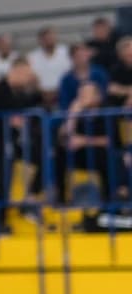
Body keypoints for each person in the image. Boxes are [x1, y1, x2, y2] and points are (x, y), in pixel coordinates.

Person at [0, 58, 45, 236]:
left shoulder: (21, 93)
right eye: (26, 73)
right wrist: (7, 120)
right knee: (3, 179)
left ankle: (29, 198)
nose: (28, 78)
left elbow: (36, 105)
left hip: (17, 141)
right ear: (16, 70)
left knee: (44, 157)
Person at [54, 81, 128, 209]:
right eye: (80, 94)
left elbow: (109, 140)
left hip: (104, 153)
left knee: (108, 159)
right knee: (60, 153)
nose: (82, 97)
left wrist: (83, 140)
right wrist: (72, 116)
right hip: (83, 154)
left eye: (86, 94)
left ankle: (109, 202)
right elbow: (63, 138)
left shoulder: (107, 111)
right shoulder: (78, 113)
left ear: (97, 97)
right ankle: (61, 199)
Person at [57, 43, 109, 113]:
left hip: (99, 113)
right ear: (72, 58)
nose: (82, 58)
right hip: (75, 112)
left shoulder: (99, 73)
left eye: (84, 55)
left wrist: (89, 102)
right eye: (78, 56)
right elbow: (64, 101)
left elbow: (104, 93)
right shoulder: (66, 79)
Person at [26, 27, 70, 107]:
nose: (48, 41)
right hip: (40, 96)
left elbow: (70, 74)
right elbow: (31, 78)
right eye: (45, 38)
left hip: (63, 93)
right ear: (40, 40)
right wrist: (44, 93)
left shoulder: (66, 53)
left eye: (51, 37)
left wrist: (56, 92)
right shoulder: (32, 57)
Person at [106, 37, 132, 109]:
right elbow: (112, 89)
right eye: (127, 52)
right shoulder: (115, 69)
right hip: (120, 104)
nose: (130, 53)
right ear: (121, 54)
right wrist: (129, 91)